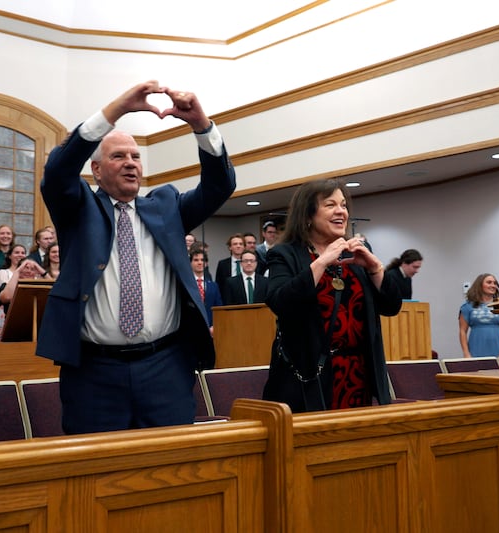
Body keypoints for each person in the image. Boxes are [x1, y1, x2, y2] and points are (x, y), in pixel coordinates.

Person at [37, 80, 236, 434]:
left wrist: (201, 126)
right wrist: (117, 110)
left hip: (166, 367)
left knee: (170, 468)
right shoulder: (78, 208)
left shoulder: (167, 207)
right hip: (94, 373)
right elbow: (57, 173)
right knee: (98, 473)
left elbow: (220, 186)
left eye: (135, 157)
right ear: (96, 170)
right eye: (118, 156)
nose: (130, 164)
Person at [262, 178, 402, 412]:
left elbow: (391, 306)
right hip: (308, 378)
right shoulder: (285, 254)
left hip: (358, 375)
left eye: (344, 205)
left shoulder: (356, 253)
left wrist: (376, 268)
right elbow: (280, 301)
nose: (341, 212)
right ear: (307, 215)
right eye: (330, 205)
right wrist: (323, 260)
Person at [459, 273, 499, 357]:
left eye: (495, 283)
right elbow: (462, 331)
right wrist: (466, 353)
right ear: (480, 285)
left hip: (497, 351)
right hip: (475, 352)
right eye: (489, 282)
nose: (493, 285)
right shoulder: (467, 307)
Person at [190, 249, 222, 337]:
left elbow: (218, 308)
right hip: (191, 332)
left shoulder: (213, 285)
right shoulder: (186, 285)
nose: (200, 263)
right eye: (196, 260)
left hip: (211, 331)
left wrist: (215, 326)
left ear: (206, 263)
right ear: (190, 263)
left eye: (202, 260)